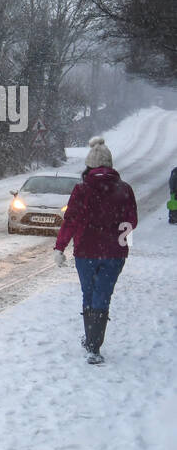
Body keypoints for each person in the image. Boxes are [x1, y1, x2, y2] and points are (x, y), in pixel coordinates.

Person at [53, 136, 138, 364]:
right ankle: (94, 345)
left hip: (85, 252)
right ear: (110, 165)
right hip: (114, 254)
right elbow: (131, 221)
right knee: (103, 295)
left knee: (88, 294)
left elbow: (70, 220)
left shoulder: (82, 189)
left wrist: (60, 247)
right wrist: (119, 239)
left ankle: (91, 343)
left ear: (89, 166)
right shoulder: (124, 189)